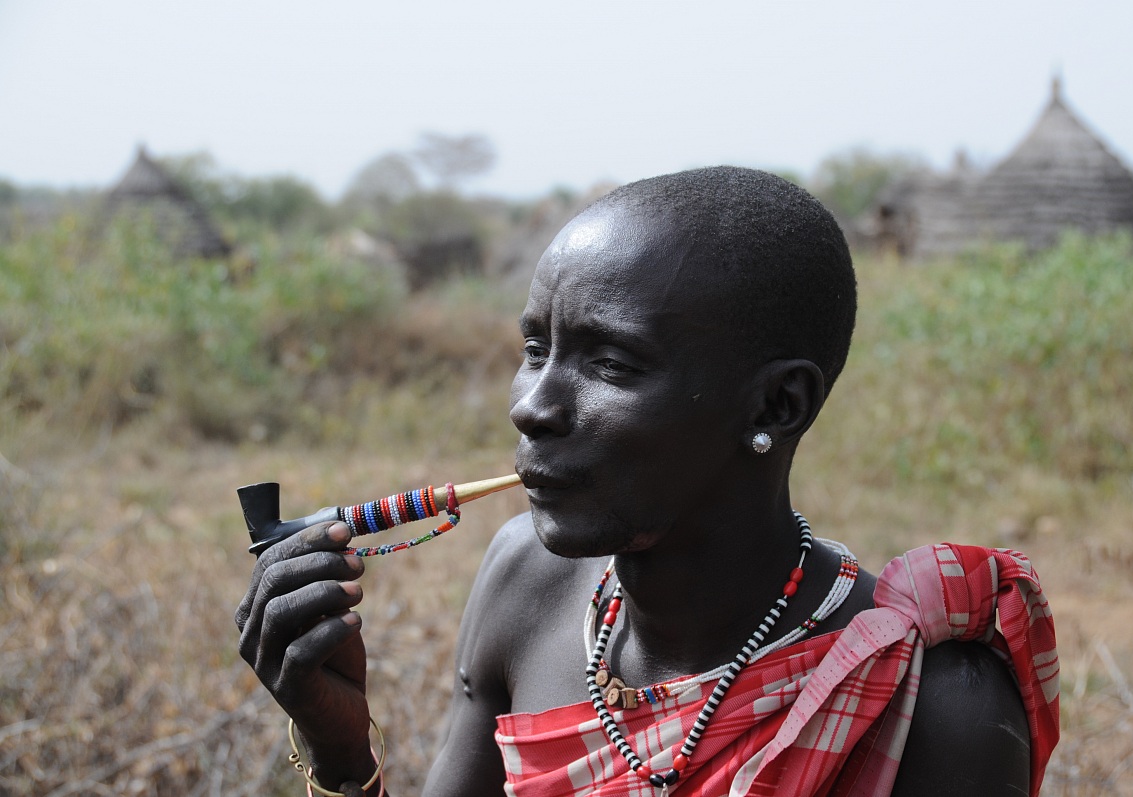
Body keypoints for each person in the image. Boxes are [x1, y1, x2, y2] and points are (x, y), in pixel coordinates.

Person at [236, 166, 1058, 796]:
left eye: (610, 362)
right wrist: (339, 746)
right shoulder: (528, 579)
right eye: (535, 349)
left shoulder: (932, 705)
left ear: (779, 401)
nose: (533, 406)